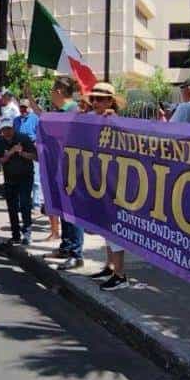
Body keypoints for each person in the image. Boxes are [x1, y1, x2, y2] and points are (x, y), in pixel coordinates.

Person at [85, 82, 129, 291]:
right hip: (99, 181)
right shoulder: (93, 118)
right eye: (93, 99)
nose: (95, 103)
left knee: (114, 229)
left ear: (111, 101)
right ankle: (110, 266)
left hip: (115, 182)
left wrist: (113, 121)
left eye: (100, 99)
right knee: (105, 227)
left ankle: (120, 274)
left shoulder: (116, 121)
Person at [46, 76, 86, 268]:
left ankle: (76, 254)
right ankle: (67, 246)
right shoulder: (62, 111)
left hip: (73, 168)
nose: (51, 94)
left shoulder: (73, 112)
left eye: (52, 90)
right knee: (64, 210)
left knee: (73, 213)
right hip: (62, 167)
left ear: (59, 92)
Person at [0, 117, 38, 245]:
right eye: (4, 129)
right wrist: (10, 153)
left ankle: (27, 233)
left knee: (25, 204)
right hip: (10, 179)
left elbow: (35, 156)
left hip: (25, 176)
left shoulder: (23, 138)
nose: (7, 131)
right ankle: (15, 235)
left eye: (9, 128)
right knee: (12, 207)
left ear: (13, 128)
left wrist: (22, 152)